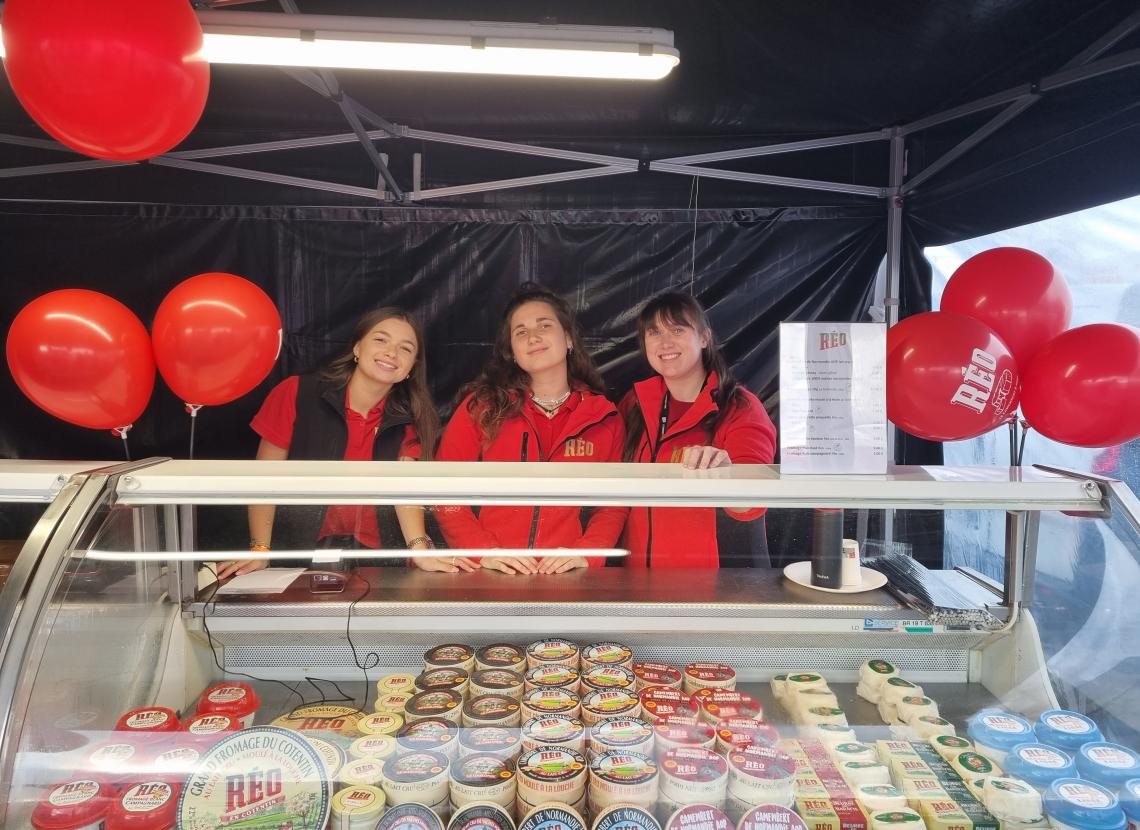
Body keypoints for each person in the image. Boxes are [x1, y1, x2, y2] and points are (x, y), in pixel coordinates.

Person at [218, 307, 476, 578]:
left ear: (411, 367)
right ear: (356, 347)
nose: (391, 352)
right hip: (295, 558)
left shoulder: (413, 418)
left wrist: (419, 551)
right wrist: (261, 550)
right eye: (381, 340)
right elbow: (263, 481)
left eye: (406, 348)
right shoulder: (297, 393)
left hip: (376, 563)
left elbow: (406, 492)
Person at [435, 283, 626, 574]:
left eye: (544, 325)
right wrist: (482, 552)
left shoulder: (603, 417)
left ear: (568, 338)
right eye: (520, 332)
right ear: (512, 352)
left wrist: (587, 554)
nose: (533, 337)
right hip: (491, 575)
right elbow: (444, 493)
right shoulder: (483, 407)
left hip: (567, 579)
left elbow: (613, 506)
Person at [619, 291, 777, 568]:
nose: (665, 342)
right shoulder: (634, 404)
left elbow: (752, 504)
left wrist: (730, 474)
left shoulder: (739, 407)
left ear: (704, 338)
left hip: (711, 591)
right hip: (637, 584)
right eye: (654, 332)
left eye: (677, 329)